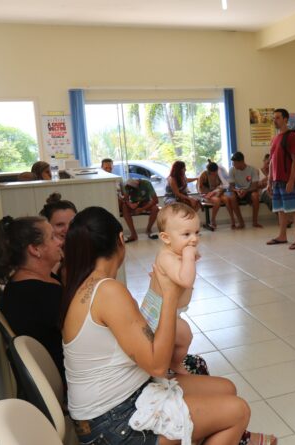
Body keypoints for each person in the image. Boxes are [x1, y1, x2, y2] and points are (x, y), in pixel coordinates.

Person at [61, 207, 277, 444]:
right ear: (120, 240)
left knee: (226, 387)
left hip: (115, 405)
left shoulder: (85, 285)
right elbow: (158, 366)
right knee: (238, 411)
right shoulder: (108, 291)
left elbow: (138, 336)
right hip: (114, 421)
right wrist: (170, 295)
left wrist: (160, 293)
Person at [0, 216, 65, 379]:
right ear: (35, 249)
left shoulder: (23, 282)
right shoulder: (38, 294)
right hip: (68, 378)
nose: (60, 242)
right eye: (52, 237)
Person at [139, 203, 197, 375]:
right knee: (186, 334)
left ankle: (170, 358)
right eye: (186, 234)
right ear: (165, 238)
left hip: (168, 310)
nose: (194, 239)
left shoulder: (174, 252)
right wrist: (189, 257)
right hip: (160, 315)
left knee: (178, 339)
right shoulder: (166, 257)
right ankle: (174, 363)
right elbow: (186, 280)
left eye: (196, 232)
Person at [266, 108, 295, 249]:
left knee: (294, 209)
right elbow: (271, 161)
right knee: (280, 209)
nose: (275, 121)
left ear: (285, 119)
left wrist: (291, 180)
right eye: (274, 118)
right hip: (276, 181)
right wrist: (269, 180)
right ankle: (282, 236)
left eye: (277, 118)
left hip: (287, 180)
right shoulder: (275, 138)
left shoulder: (291, 137)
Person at [39, 192, 78, 276]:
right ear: (47, 226)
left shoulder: (85, 252)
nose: (67, 229)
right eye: (60, 225)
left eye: (72, 223)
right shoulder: (42, 258)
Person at [227, 151, 262, 229]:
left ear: (241, 162)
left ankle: (255, 222)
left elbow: (255, 186)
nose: (233, 165)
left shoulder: (252, 170)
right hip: (237, 191)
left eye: (235, 163)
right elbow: (231, 187)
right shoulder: (232, 170)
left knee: (255, 196)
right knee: (232, 197)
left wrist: (245, 191)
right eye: (233, 163)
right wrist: (238, 191)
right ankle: (241, 223)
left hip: (249, 191)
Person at [198, 160, 234, 230]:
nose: (215, 174)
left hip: (217, 192)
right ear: (209, 171)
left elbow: (223, 186)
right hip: (206, 194)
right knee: (217, 200)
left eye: (215, 172)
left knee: (227, 199)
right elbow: (200, 188)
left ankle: (232, 220)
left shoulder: (219, 173)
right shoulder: (204, 175)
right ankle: (213, 220)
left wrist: (218, 192)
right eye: (213, 173)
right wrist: (209, 194)